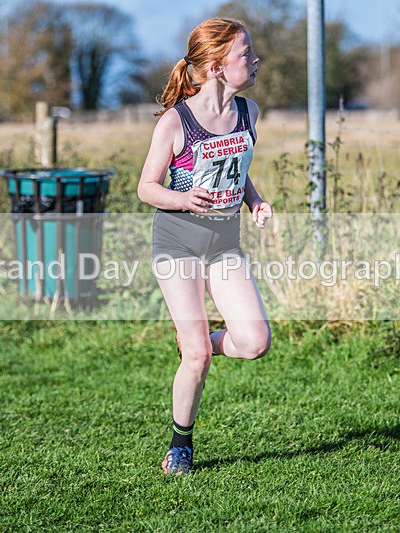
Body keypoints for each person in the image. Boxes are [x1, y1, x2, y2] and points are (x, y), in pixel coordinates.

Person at [137, 17, 273, 475]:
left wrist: (254, 200)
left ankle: (196, 341)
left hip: (225, 244)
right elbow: (146, 188)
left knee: (255, 342)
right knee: (195, 357)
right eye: (245, 54)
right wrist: (183, 199)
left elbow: (238, 163)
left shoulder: (250, 114)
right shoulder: (177, 122)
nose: (255, 61)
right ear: (216, 66)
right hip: (177, 242)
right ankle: (181, 444)